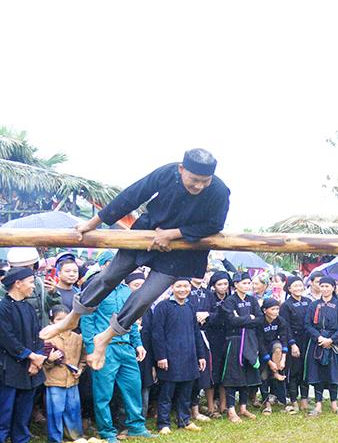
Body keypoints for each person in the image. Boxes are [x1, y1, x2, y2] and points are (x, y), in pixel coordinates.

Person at [44, 150, 230, 371]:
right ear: (181, 169)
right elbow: (133, 195)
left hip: (182, 247)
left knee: (145, 297)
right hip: (148, 232)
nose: (199, 186)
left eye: (204, 181)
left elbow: (214, 225)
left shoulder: (218, 191)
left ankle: (105, 337)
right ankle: (73, 316)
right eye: (194, 179)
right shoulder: (167, 173)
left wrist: (172, 234)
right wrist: (93, 223)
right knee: (109, 276)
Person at [83, 270, 154, 443]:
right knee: (103, 392)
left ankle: (136, 426)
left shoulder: (126, 291)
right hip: (105, 348)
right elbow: (87, 321)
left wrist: (137, 343)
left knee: (133, 387)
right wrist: (93, 350)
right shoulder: (97, 290)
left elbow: (132, 318)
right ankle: (106, 431)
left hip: (126, 347)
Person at [0, 267, 50, 443]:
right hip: (9, 366)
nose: (33, 286)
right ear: (17, 283)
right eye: (29, 281)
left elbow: (38, 335)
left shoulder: (29, 307)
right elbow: (6, 338)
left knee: (24, 410)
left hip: (31, 366)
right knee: (5, 409)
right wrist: (29, 356)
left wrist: (37, 359)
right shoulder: (3, 307)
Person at [149, 279, 207, 433]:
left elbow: (196, 333)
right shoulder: (163, 306)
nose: (182, 289)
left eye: (186, 286)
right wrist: (161, 356)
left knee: (186, 392)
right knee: (166, 393)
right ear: (172, 287)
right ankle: (163, 423)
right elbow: (157, 334)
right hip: (170, 357)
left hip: (189, 356)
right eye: (179, 286)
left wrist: (201, 355)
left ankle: (184, 420)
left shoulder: (190, 306)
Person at [41, 305, 91, 443]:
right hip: (54, 380)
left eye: (65, 319)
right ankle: (55, 439)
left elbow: (83, 357)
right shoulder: (47, 338)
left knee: (73, 409)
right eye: (58, 319)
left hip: (72, 380)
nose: (62, 322)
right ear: (51, 322)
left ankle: (75, 435)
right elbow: (42, 362)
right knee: (55, 411)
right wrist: (50, 359)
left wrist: (80, 369)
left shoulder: (77, 337)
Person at [219, 272, 264, 423]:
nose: (247, 286)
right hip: (235, 341)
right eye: (244, 283)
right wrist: (248, 318)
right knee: (233, 375)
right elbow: (230, 320)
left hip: (250, 340)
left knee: (247, 373)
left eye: (249, 283)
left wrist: (242, 319)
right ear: (236, 284)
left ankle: (243, 407)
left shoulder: (252, 300)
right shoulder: (229, 301)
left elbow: (260, 319)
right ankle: (231, 410)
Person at [304, 276, 338, 416]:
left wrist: (331, 340)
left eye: (327, 286)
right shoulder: (313, 305)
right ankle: (318, 405)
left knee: (333, 374)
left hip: (333, 344)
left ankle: (334, 405)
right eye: (322, 286)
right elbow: (307, 325)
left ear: (333, 288)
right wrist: (319, 338)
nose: (325, 289)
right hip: (317, 343)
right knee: (317, 374)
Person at [279, 276, 311, 413]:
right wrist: (292, 344)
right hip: (294, 340)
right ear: (289, 288)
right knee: (293, 371)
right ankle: (293, 399)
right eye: (295, 286)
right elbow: (285, 327)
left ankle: (304, 399)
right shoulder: (286, 305)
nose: (298, 288)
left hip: (307, 340)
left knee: (305, 370)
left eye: (300, 285)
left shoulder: (308, 302)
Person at [258, 297, 287, 414]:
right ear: (265, 310)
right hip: (262, 350)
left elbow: (284, 339)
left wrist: (283, 359)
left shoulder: (280, 321)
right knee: (263, 376)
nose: (276, 312)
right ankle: (267, 404)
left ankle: (283, 401)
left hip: (275, 349)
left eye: (277, 309)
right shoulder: (260, 322)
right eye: (273, 309)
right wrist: (269, 362)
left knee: (278, 347)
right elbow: (259, 343)